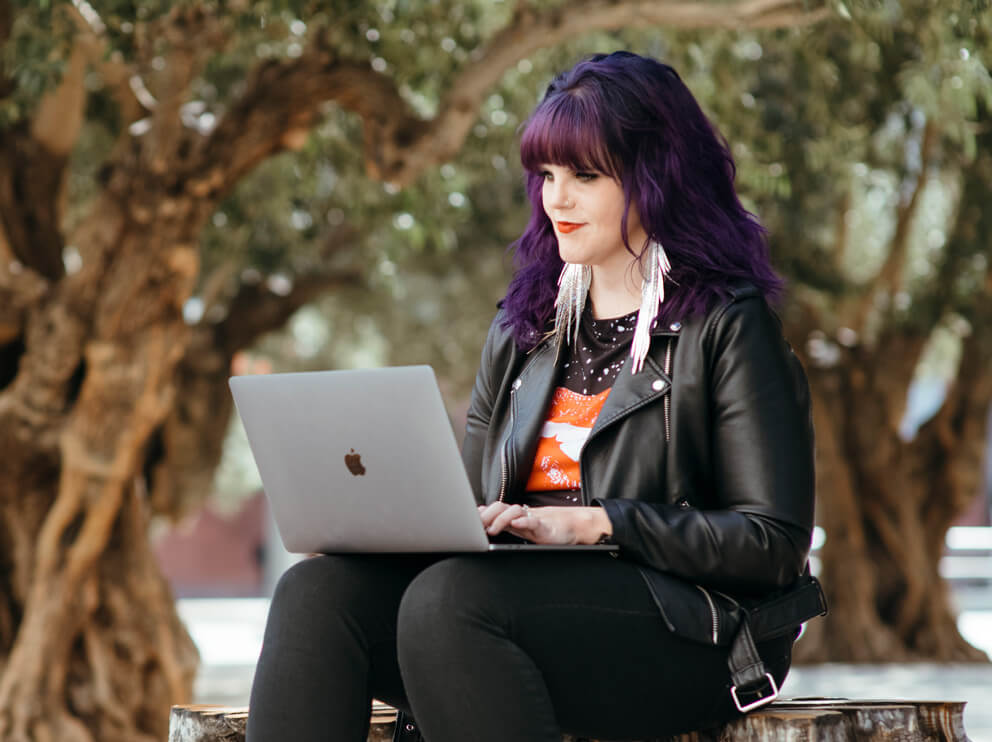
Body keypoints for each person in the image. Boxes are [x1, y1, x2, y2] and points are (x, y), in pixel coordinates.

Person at [245, 51, 818, 742]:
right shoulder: (526, 328)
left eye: (585, 176)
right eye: (547, 175)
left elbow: (771, 544)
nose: (557, 199)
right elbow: (467, 514)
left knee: (451, 602)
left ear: (657, 177)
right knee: (316, 593)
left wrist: (600, 523)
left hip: (695, 630)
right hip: (506, 607)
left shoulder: (727, 326)